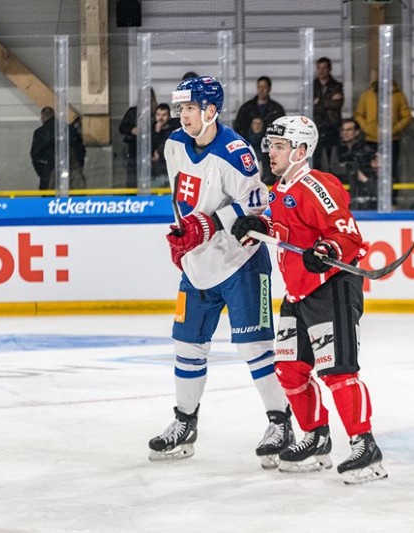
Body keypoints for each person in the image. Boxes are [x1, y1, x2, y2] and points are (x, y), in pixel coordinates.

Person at [230, 116, 387, 484]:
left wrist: (328, 247)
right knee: (289, 369)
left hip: (330, 288)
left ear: (301, 151)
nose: (271, 152)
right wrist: (259, 229)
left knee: (338, 372)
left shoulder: (318, 185)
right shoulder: (279, 189)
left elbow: (347, 234)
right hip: (297, 293)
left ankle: (366, 448)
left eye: (280, 146)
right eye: (271, 145)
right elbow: (285, 229)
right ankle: (317, 437)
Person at [148, 76, 292, 469]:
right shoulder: (175, 143)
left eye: (190, 109)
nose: (184, 116)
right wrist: (183, 235)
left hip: (240, 264)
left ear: (211, 111)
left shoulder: (235, 153)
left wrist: (208, 225)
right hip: (197, 266)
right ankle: (184, 423)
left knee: (255, 349)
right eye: (181, 109)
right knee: (187, 345)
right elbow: (181, 194)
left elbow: (259, 204)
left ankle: (281, 423)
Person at [354, 80, 412, 184]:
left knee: (391, 168)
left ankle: (392, 195)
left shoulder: (398, 95)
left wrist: (392, 131)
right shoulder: (367, 95)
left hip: (391, 140)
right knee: (370, 168)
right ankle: (370, 191)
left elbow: (407, 117)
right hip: (370, 140)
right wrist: (369, 129)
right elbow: (359, 115)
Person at [234, 76, 286, 185]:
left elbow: (282, 133)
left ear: (269, 88)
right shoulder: (246, 108)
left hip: (269, 151)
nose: (261, 90)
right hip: (249, 149)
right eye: (259, 87)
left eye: (264, 87)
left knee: (268, 179)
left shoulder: (276, 110)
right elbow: (238, 130)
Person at [30, 107, 87, 190]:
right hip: (72, 171)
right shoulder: (70, 129)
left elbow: (35, 156)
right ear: (55, 116)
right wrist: (77, 167)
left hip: (49, 175)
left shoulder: (40, 133)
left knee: (49, 201)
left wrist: (44, 172)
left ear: (42, 118)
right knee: (76, 199)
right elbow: (81, 151)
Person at [333, 118, 376, 210]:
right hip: (342, 194)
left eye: (349, 130)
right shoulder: (336, 150)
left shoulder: (367, 151)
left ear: (356, 132)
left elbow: (370, 176)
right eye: (343, 130)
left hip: (363, 196)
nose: (345, 133)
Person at [119, 88, 157, 188]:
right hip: (134, 150)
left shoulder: (157, 112)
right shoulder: (133, 112)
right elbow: (122, 127)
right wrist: (132, 130)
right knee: (132, 181)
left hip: (153, 151)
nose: (146, 100)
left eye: (149, 97)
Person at [312, 57, 344, 171]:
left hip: (332, 127)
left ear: (329, 69)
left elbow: (337, 104)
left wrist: (318, 102)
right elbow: (310, 107)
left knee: (333, 160)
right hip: (316, 127)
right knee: (316, 160)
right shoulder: (312, 86)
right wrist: (328, 101)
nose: (321, 71)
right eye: (319, 68)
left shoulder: (336, 85)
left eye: (324, 68)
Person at [150, 103, 176, 187]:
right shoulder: (150, 130)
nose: (160, 118)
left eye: (164, 115)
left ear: (169, 116)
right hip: (155, 172)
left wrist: (159, 151)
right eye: (158, 115)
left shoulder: (174, 131)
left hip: (171, 170)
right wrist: (157, 132)